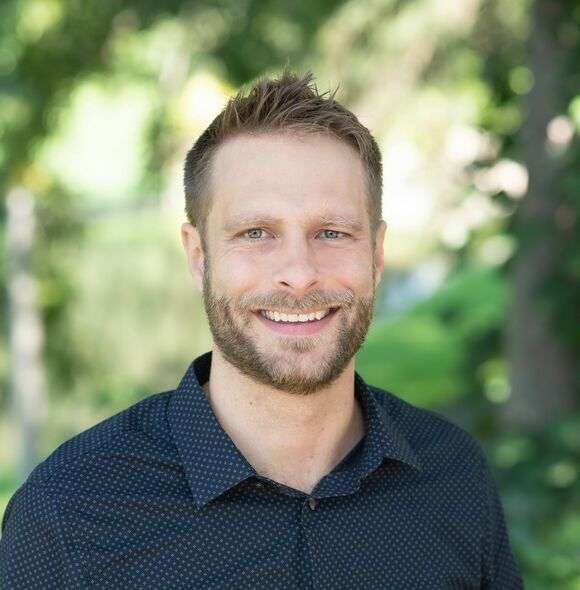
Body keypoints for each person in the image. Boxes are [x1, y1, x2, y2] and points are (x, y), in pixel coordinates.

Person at [0, 69, 524, 589]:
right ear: (199, 255)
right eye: (256, 233)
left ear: (377, 253)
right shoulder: (69, 510)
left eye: (332, 232)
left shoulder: (452, 476)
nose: (298, 272)